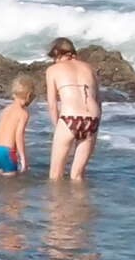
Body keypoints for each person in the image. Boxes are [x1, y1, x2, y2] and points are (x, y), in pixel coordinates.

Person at [43, 36, 100, 179]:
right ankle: (80, 201)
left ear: (56, 53)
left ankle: (57, 202)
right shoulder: (89, 69)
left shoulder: (53, 70)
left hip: (70, 117)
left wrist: (58, 126)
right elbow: (98, 100)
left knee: (55, 175)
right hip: (92, 120)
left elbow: (52, 104)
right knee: (77, 176)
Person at [0, 76, 35, 173]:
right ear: (29, 96)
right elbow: (19, 136)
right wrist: (23, 158)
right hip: (7, 153)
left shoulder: (6, 110)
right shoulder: (23, 113)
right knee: (11, 185)